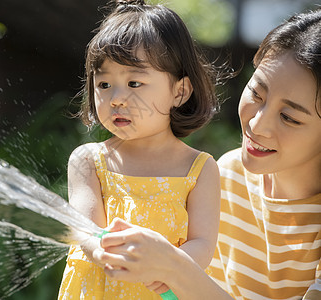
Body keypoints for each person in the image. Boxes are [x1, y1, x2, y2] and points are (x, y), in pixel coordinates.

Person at [95, 8, 321, 300]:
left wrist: (175, 269)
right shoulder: (227, 175)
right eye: (256, 94)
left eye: (289, 117)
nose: (256, 124)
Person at [58, 0, 222, 298]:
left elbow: (202, 244)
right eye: (104, 84)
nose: (117, 98)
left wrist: (168, 270)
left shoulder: (199, 168)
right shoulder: (89, 161)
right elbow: (85, 229)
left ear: (179, 91)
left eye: (134, 82)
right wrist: (104, 252)